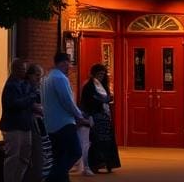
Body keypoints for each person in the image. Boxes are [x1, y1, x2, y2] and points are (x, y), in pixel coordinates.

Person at [42, 52, 90, 182]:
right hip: (64, 123)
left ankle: (61, 178)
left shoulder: (47, 78)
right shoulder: (60, 78)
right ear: (63, 62)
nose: (69, 66)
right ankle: (52, 178)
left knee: (59, 155)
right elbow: (67, 101)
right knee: (74, 151)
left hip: (50, 124)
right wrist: (80, 117)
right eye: (68, 62)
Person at [0, 58, 40, 182]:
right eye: (22, 69)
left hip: (25, 126)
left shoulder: (23, 84)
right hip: (13, 127)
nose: (24, 72)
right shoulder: (11, 85)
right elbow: (16, 104)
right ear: (14, 70)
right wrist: (31, 97)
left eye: (25, 69)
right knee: (13, 157)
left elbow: (31, 98)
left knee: (24, 157)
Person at [80, 63, 121, 174]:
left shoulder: (104, 85)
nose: (101, 76)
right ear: (94, 74)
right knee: (96, 141)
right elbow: (88, 101)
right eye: (99, 74)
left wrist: (106, 99)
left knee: (107, 141)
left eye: (102, 74)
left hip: (105, 116)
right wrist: (102, 100)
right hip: (96, 115)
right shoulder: (89, 86)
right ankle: (96, 164)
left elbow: (108, 97)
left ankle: (108, 162)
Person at [25, 64, 50, 182]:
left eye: (40, 77)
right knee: (37, 155)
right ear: (29, 75)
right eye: (37, 76)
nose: (39, 79)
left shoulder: (38, 89)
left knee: (45, 153)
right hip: (33, 125)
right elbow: (30, 105)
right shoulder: (26, 88)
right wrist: (37, 107)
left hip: (42, 125)